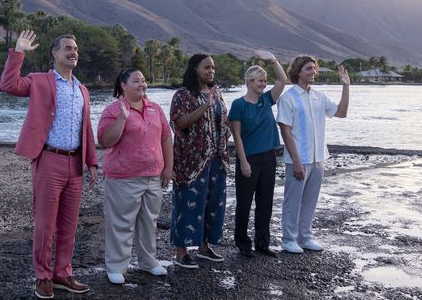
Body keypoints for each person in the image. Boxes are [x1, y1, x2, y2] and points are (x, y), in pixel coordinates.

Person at [0, 30, 98, 299]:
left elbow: (85, 127)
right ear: (54, 53)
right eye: (67, 47)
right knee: (45, 224)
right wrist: (18, 52)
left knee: (69, 224)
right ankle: (42, 275)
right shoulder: (39, 81)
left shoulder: (82, 89)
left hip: (75, 162)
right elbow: (9, 85)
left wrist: (92, 161)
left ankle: (62, 273)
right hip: (49, 159)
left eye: (75, 48)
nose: (73, 52)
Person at [97, 68, 173, 284]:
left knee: (149, 221)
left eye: (143, 80)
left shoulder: (155, 109)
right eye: (136, 81)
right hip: (123, 177)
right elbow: (105, 141)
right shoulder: (113, 110)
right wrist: (122, 117)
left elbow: (166, 138)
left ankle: (148, 261)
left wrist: (168, 167)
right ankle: (116, 266)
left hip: (153, 176)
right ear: (123, 85)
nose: (142, 84)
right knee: (121, 222)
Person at [276, 55, 350, 254]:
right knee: (292, 201)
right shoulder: (288, 98)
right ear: (298, 71)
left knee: (310, 200)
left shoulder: (320, 96)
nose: (313, 72)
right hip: (297, 160)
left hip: (318, 159)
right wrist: (297, 161)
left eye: (315, 69)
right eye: (309, 68)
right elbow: (285, 130)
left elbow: (341, 113)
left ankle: (305, 237)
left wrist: (345, 86)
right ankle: (288, 239)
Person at [170, 54, 231, 269]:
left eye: (213, 68)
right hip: (191, 161)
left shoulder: (217, 94)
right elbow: (180, 123)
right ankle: (181, 252)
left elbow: (222, 122)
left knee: (213, 203)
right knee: (187, 204)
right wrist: (205, 106)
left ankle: (205, 248)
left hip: (217, 158)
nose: (211, 71)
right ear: (195, 69)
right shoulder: (182, 95)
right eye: (206, 67)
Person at [228, 51, 287, 258]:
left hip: (268, 158)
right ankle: (243, 243)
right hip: (248, 159)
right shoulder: (238, 105)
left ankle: (263, 243)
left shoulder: (266, 100)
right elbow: (237, 136)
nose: (264, 84)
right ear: (250, 82)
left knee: (265, 202)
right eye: (260, 81)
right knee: (244, 203)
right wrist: (243, 161)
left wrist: (273, 60)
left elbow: (282, 80)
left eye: (264, 80)